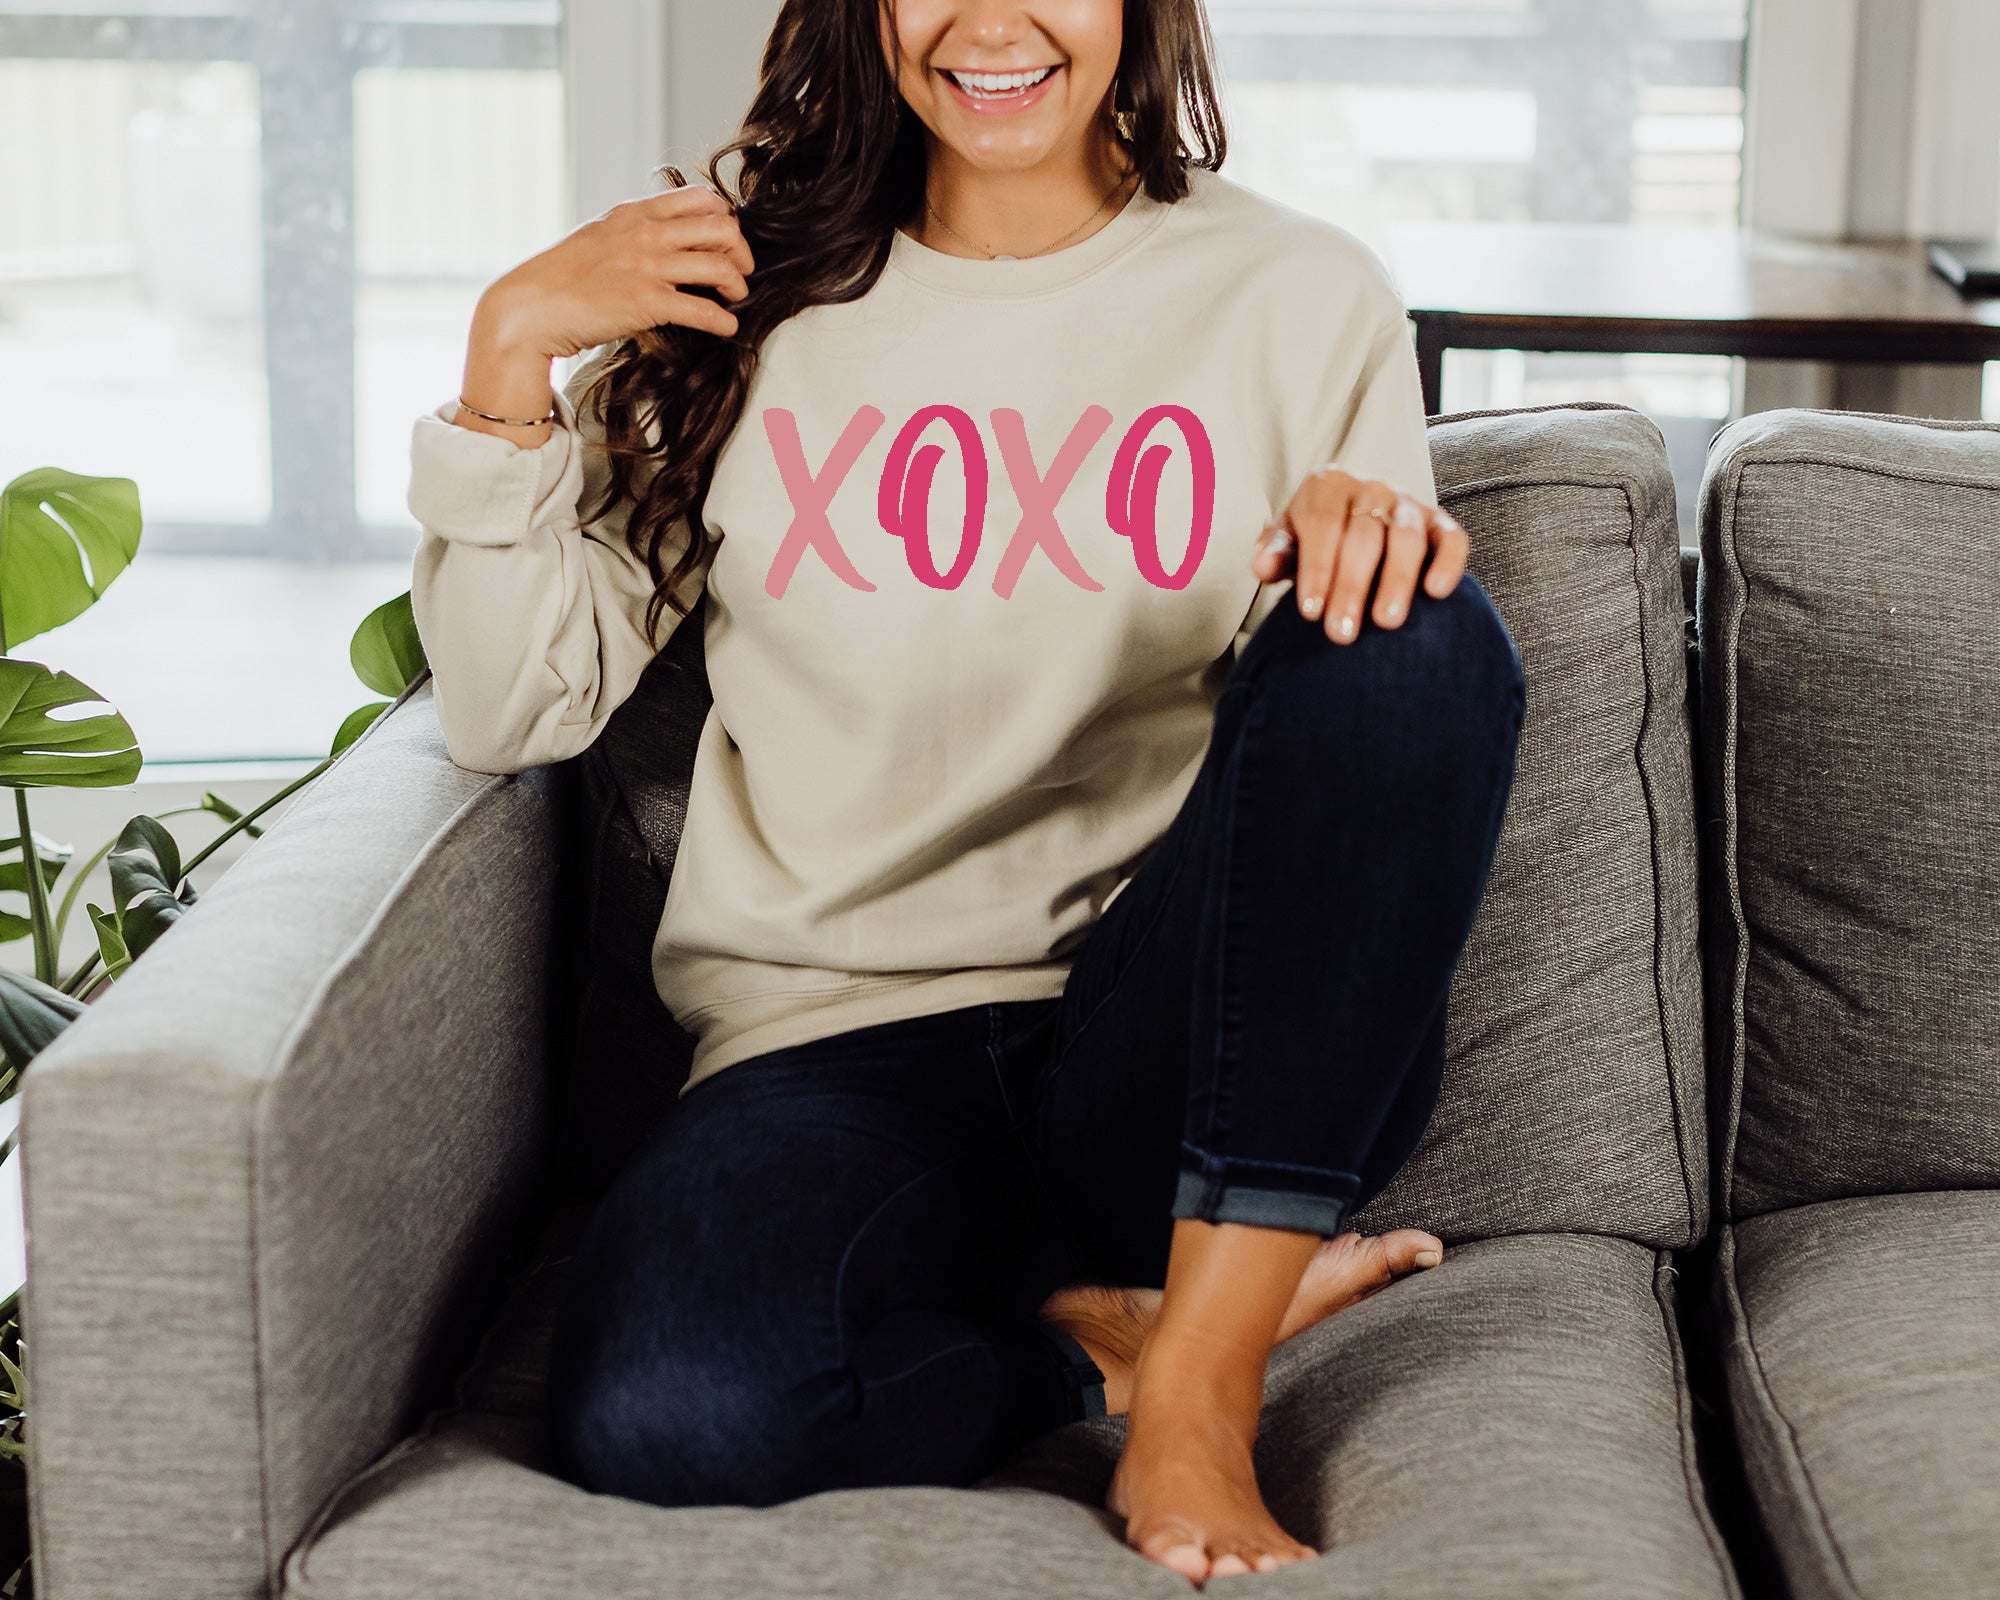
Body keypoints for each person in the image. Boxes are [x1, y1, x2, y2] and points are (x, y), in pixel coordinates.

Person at [405, 0, 1525, 1586]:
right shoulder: (743, 293)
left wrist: (1368, 533)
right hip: (831, 1055)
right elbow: (517, 703)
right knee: (672, 1413)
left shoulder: (1296, 291)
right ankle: (1097, 1354)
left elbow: (1368, 750)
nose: (992, 22)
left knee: (1416, 623)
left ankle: (1203, 1377)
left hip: (1180, 1048)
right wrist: (509, 350)